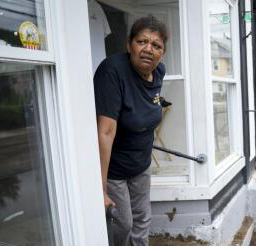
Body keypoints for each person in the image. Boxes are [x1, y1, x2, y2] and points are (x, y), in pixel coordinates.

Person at [94, 16, 168, 246]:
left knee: (142, 219)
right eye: (142, 41)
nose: (149, 49)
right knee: (122, 223)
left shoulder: (159, 73)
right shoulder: (112, 71)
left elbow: (148, 107)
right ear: (129, 45)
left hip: (141, 164)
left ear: (162, 53)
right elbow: (105, 132)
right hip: (115, 169)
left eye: (156, 45)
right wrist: (101, 187)